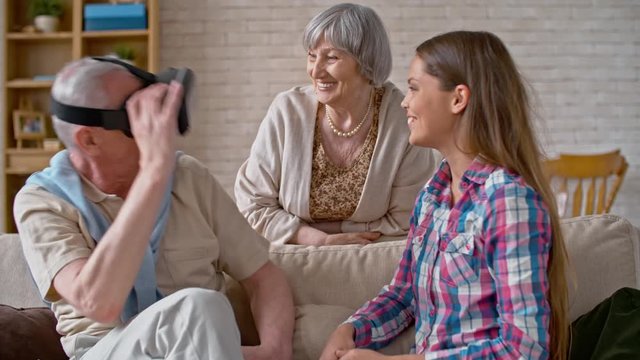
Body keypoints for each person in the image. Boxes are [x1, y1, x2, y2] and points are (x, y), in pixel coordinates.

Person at [13, 58, 294, 360]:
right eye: (137, 116)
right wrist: (153, 173)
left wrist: (274, 351)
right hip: (107, 352)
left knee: (203, 310)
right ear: (90, 139)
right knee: (199, 307)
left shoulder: (188, 177)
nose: (157, 125)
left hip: (199, 349)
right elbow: (98, 301)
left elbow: (263, 276)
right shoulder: (42, 201)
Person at [320, 31, 570, 360]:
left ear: (458, 99)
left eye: (413, 88)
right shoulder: (432, 195)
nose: (404, 102)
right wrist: (350, 330)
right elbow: (404, 294)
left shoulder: (508, 202)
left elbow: (523, 350)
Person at [235, 3, 439, 246]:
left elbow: (409, 218)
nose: (316, 71)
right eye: (312, 56)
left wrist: (337, 233)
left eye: (331, 57)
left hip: (373, 256)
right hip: (294, 255)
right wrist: (315, 238)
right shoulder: (287, 111)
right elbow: (253, 204)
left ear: (366, 62)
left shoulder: (403, 118)